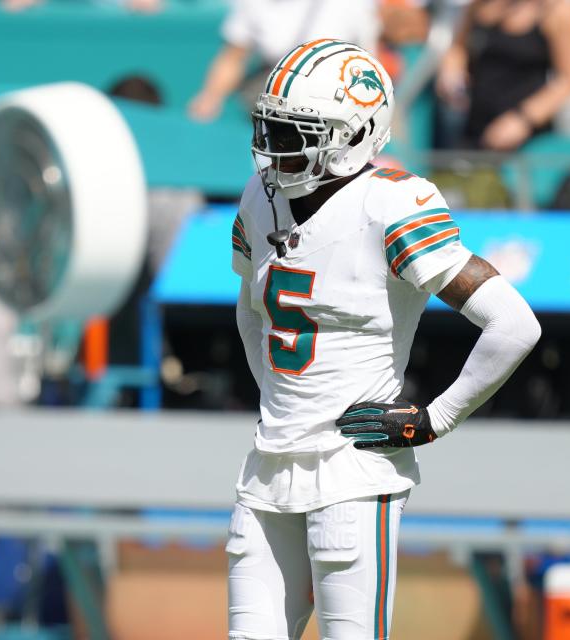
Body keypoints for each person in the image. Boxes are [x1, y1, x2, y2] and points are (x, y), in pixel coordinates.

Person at [228, 40, 540, 639]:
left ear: (356, 133)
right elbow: (250, 310)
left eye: (296, 134)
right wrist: (282, 403)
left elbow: (515, 323)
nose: (275, 149)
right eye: (271, 127)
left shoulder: (391, 202)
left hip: (353, 472)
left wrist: (435, 418)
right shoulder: (259, 197)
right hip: (267, 466)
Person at [189, 0, 380, 122]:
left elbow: (371, 57)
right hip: (278, 85)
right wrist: (210, 97)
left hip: (343, 84)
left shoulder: (354, 5)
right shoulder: (253, 4)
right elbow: (233, 56)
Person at [435, 0, 570, 150]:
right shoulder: (480, 5)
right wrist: (452, 73)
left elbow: (567, 81)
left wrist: (523, 119)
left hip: (526, 138)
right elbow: (458, 48)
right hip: (472, 129)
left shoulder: (558, 10)